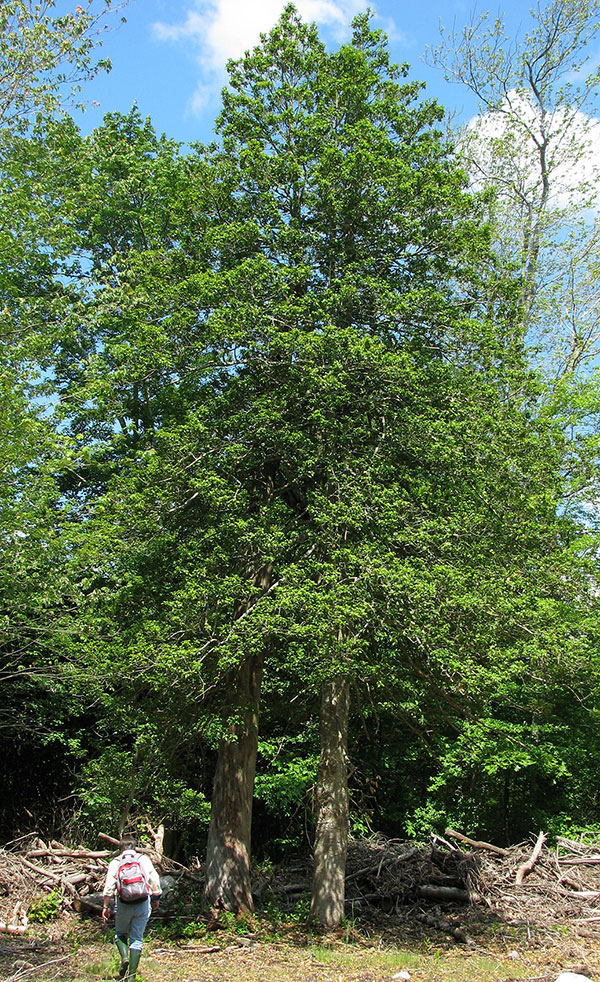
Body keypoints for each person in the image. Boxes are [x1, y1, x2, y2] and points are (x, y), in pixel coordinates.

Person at [102, 836, 162, 981]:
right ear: (134, 848)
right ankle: (132, 977)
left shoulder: (116, 862)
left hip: (123, 904)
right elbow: (154, 879)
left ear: (120, 849)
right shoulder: (143, 859)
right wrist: (155, 898)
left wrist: (105, 906)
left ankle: (124, 958)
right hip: (142, 902)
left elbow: (109, 884)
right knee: (137, 938)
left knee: (120, 933)